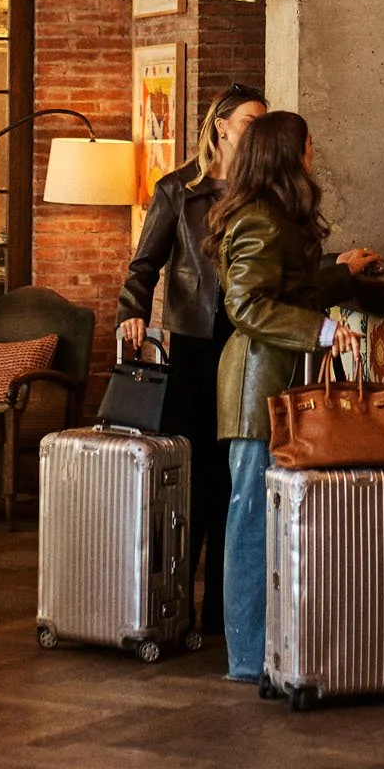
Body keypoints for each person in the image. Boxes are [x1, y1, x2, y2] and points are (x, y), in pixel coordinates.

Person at [209, 111, 379, 683]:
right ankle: (246, 658)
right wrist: (324, 331)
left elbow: (291, 289)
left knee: (264, 520)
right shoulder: (260, 218)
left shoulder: (270, 213)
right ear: (290, 153)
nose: (314, 154)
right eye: (308, 145)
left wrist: (343, 273)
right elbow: (248, 305)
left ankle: (266, 652)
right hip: (258, 387)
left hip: (272, 381)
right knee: (251, 523)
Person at [115, 83, 267, 635]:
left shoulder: (263, 189)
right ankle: (172, 610)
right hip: (194, 343)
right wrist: (131, 313)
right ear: (221, 126)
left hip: (246, 341)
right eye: (249, 121)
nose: (257, 130)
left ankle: (224, 616)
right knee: (189, 476)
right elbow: (144, 265)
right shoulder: (178, 189)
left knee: (234, 477)